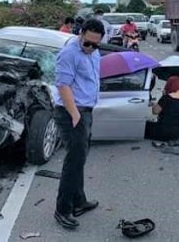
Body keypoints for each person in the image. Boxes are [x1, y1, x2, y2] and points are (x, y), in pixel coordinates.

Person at [53, 18, 104, 230]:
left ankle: (79, 201)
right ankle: (62, 209)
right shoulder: (69, 53)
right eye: (87, 43)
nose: (90, 47)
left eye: (95, 44)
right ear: (81, 34)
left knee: (80, 159)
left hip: (86, 111)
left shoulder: (94, 53)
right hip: (71, 113)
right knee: (73, 161)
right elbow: (63, 85)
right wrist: (75, 114)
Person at [145, 75, 179, 142]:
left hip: (165, 131)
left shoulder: (166, 98)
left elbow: (155, 111)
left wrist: (155, 103)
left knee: (145, 126)